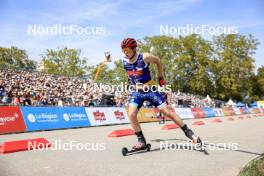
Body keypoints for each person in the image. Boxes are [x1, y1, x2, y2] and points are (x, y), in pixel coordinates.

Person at [121, 38, 202, 150]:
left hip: (150, 90)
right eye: (123, 50)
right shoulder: (125, 61)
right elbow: (130, 76)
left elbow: (158, 61)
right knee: (131, 114)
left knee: (167, 112)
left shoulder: (144, 57)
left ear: (134, 49)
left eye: (127, 50)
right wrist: (131, 84)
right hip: (137, 93)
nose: (125, 52)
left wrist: (160, 77)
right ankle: (142, 142)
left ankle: (190, 134)